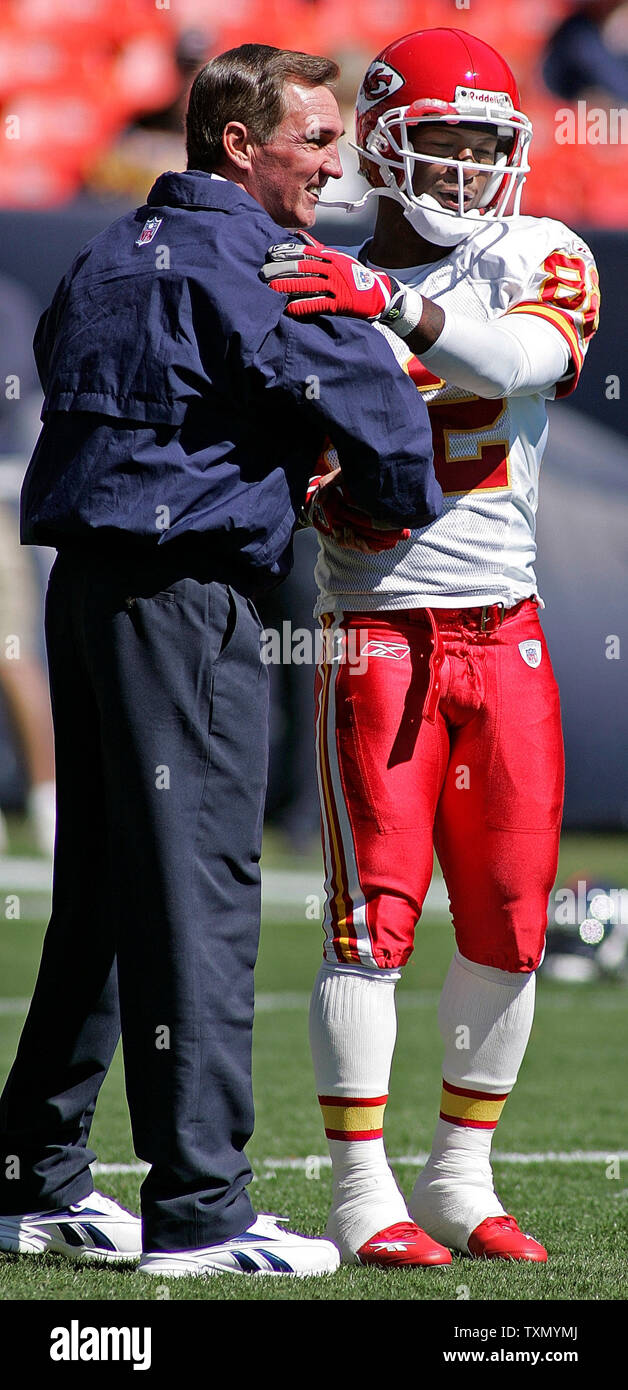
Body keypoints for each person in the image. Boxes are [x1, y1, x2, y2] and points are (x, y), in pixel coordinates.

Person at [0, 43, 441, 1279]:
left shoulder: (105, 247)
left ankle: (33, 1175)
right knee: (197, 894)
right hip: (191, 599)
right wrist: (360, 483)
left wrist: (258, 441)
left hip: (83, 593)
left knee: (98, 891)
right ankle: (200, 1208)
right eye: (311, 140)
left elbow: (85, 374)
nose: (333, 163)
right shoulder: (270, 259)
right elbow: (391, 428)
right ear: (238, 145)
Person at [262, 27, 600, 1267]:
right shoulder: (318, 275)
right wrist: (308, 486)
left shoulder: (542, 253)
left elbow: (524, 358)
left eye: (482, 146)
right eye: (441, 144)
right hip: (374, 632)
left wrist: (389, 305)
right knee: (373, 924)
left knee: (510, 917)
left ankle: (462, 1174)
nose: (463, 170)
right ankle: (362, 1192)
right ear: (387, 148)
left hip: (503, 625)